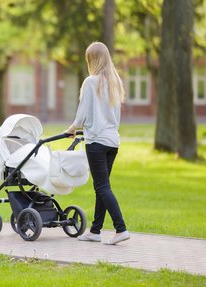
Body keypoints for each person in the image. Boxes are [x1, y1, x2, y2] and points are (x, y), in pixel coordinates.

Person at [64, 42, 130, 245]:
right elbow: (114, 115)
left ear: (92, 60)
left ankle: (121, 229)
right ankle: (95, 230)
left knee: (102, 186)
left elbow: (82, 114)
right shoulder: (115, 82)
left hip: (97, 142)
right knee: (102, 187)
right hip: (113, 141)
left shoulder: (91, 82)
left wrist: (72, 129)